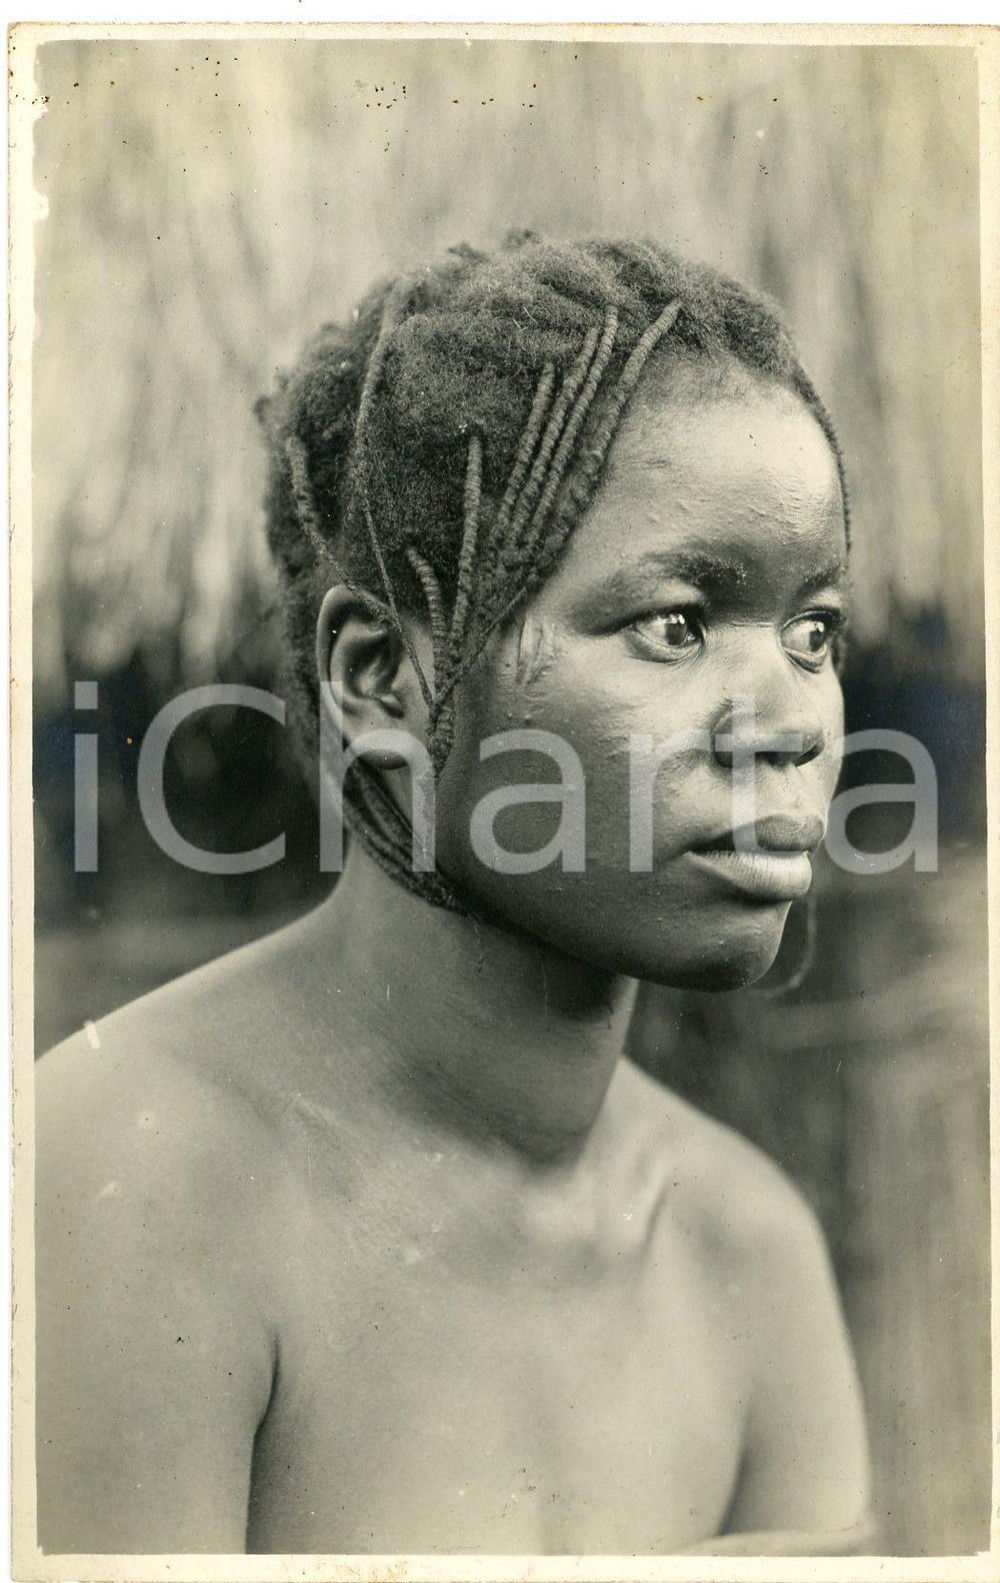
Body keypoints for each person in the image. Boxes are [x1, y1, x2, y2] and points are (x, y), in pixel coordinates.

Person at [36, 233, 873, 1556]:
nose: (793, 722)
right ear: (382, 680)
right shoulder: (122, 1178)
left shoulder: (743, 1254)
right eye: (677, 622)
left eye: (814, 631)